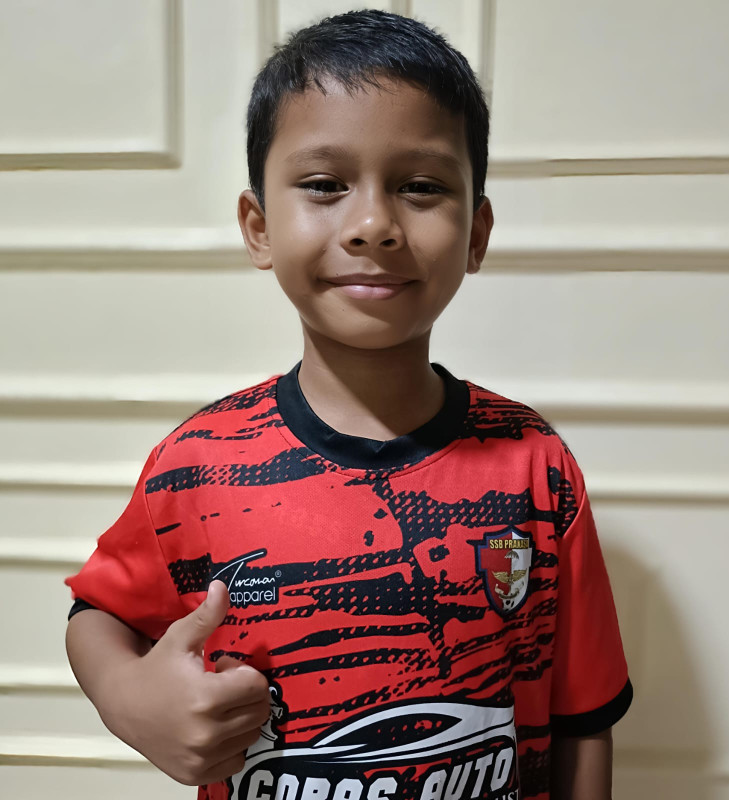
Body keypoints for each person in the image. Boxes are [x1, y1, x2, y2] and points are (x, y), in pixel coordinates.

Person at [64, 9, 632, 800]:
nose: (372, 225)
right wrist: (126, 696)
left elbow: (582, 718)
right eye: (324, 186)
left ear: (475, 233)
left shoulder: (536, 466)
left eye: (420, 186)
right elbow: (99, 613)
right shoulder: (196, 466)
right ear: (259, 227)